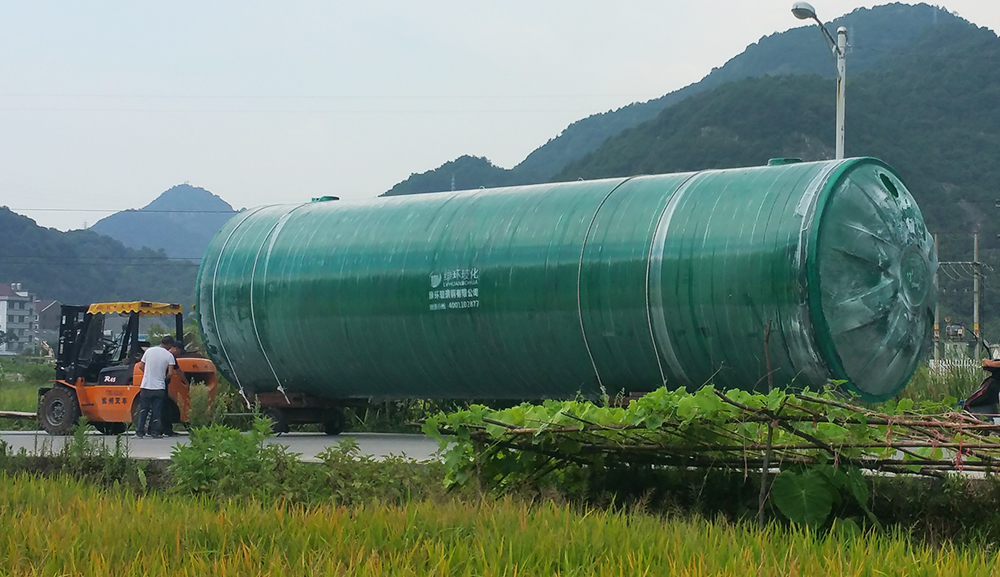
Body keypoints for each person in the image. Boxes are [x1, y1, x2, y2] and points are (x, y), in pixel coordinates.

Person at [134, 335, 187, 438]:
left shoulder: (149, 351)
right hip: (159, 387)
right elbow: (171, 373)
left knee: (144, 410)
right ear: (170, 345)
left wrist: (148, 374)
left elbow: (141, 366)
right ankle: (155, 432)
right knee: (157, 411)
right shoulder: (169, 356)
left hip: (146, 386)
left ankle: (139, 432)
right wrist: (163, 378)